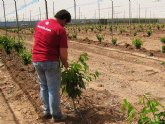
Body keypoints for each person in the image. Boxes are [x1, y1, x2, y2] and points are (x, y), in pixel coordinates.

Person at [32, 9, 71, 122]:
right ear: (64, 19)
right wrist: (66, 64)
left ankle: (46, 111)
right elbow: (63, 53)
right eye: (66, 23)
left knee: (43, 86)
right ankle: (57, 116)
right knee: (53, 89)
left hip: (36, 59)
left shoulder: (40, 24)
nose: (65, 25)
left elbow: (36, 41)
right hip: (50, 61)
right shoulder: (60, 29)